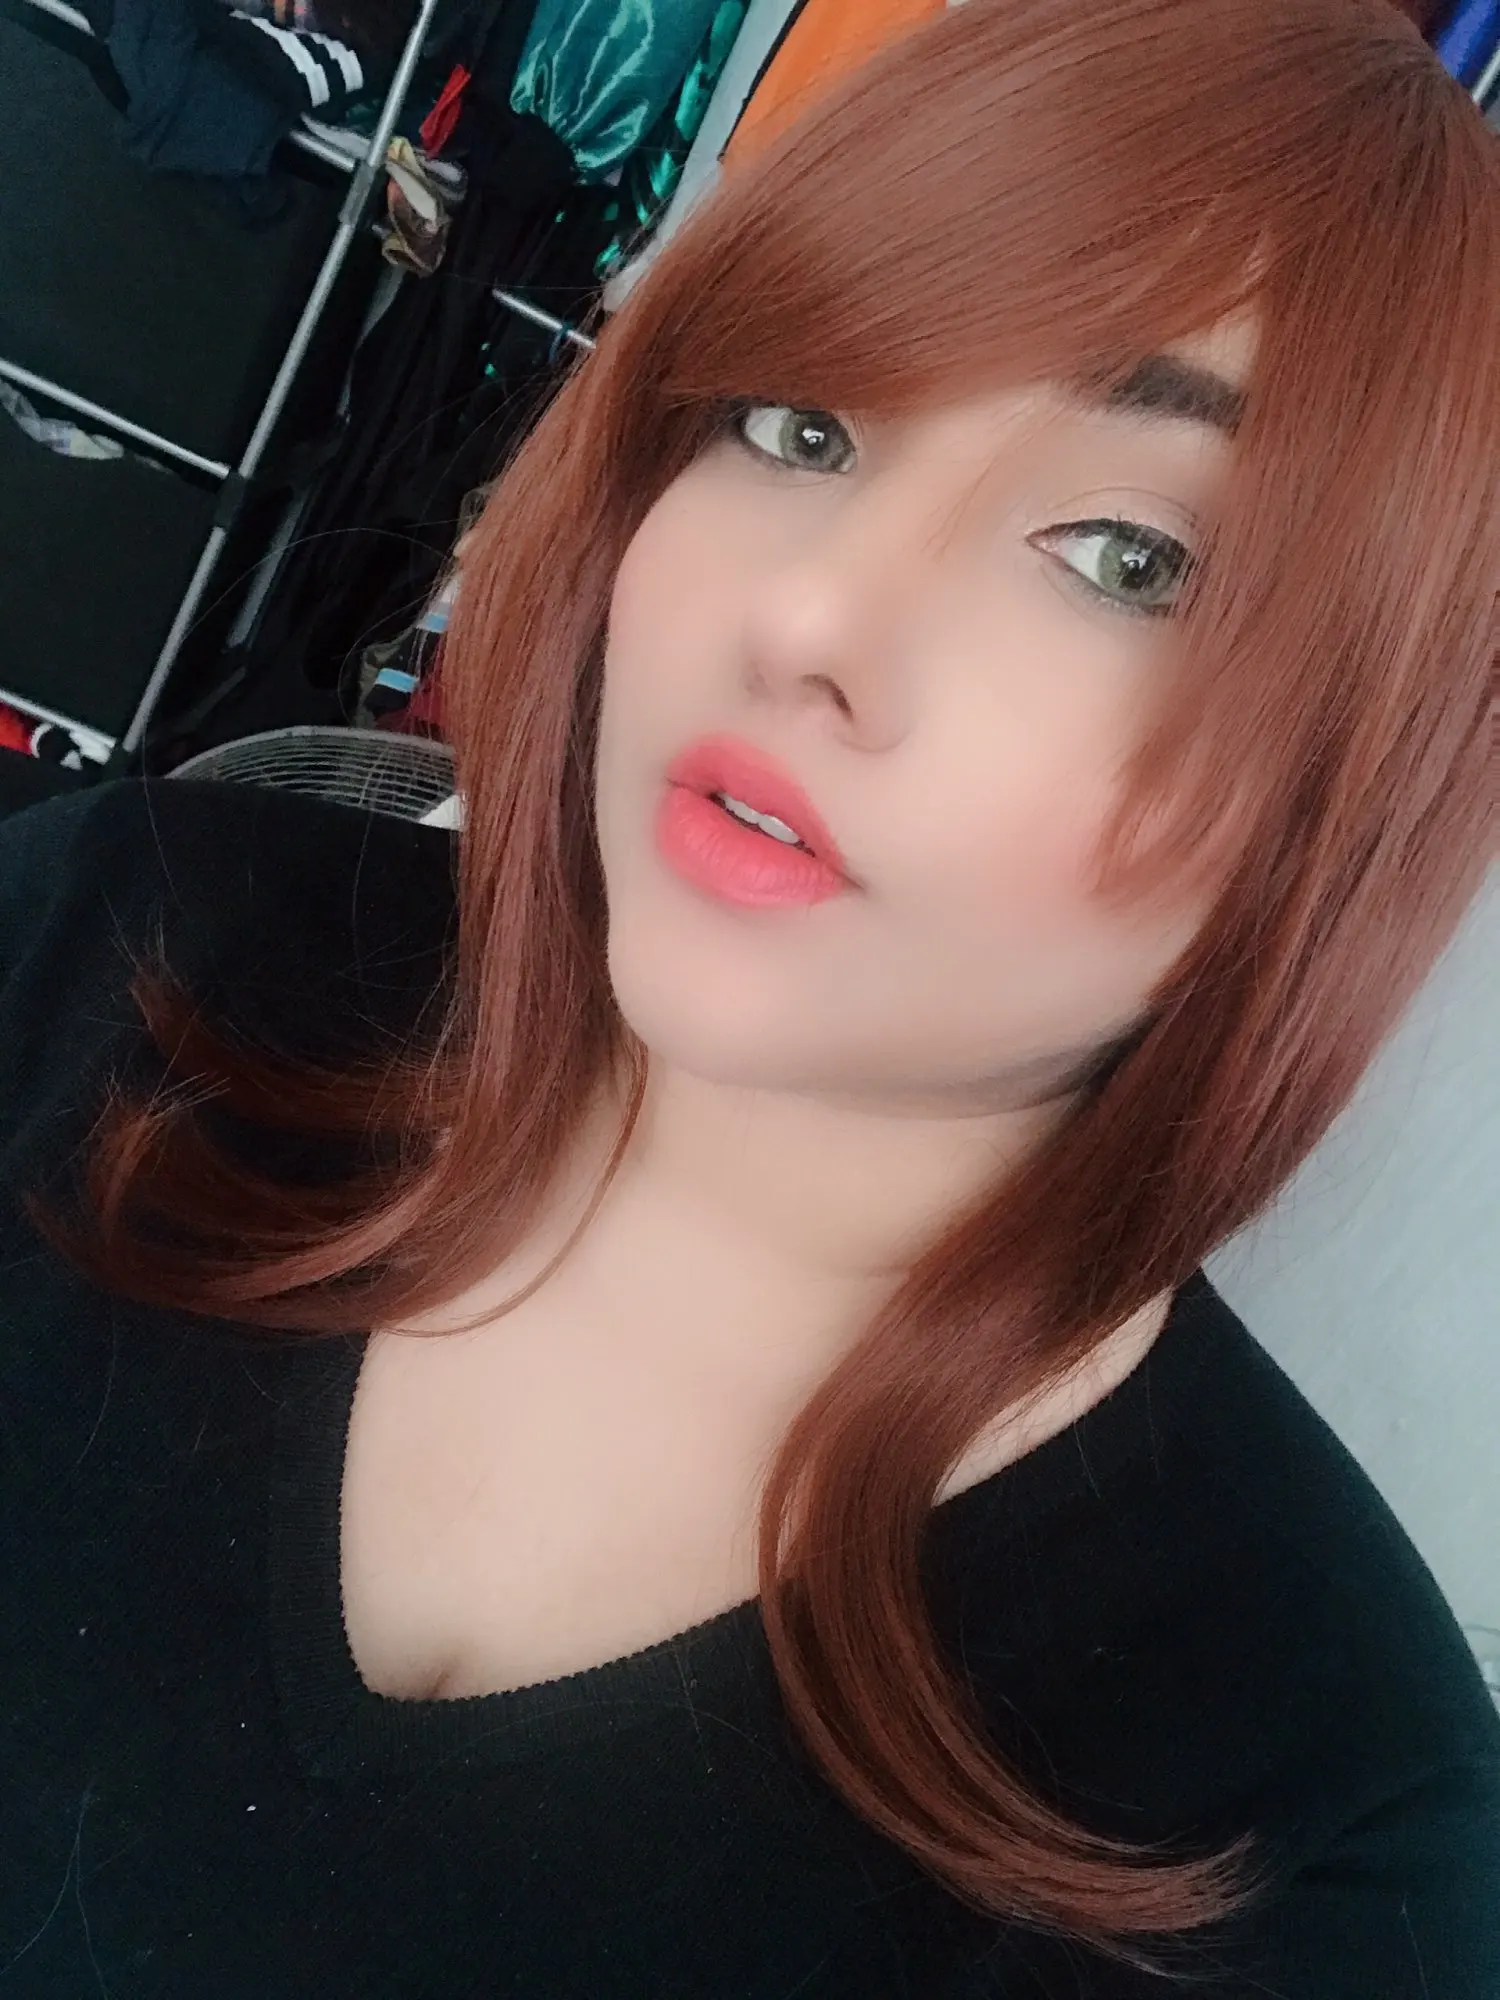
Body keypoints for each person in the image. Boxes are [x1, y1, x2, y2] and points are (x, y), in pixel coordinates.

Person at [1, 0, 1496, 1992]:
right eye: (801, 425)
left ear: (1367, 771)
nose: (813, 616)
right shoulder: (126, 935)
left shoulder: (1311, 1841)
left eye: (1128, 556)